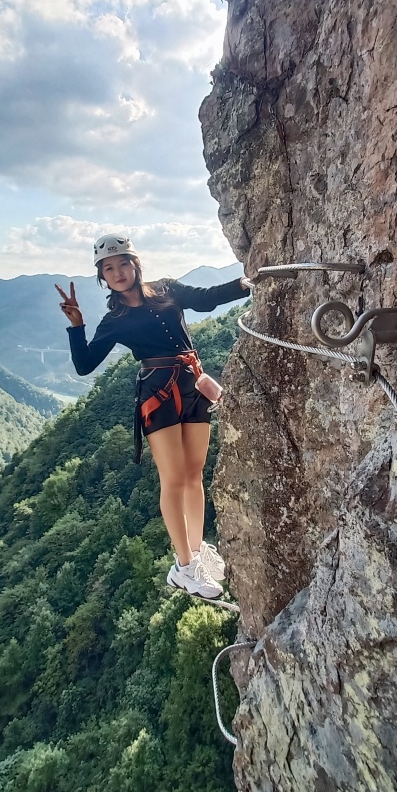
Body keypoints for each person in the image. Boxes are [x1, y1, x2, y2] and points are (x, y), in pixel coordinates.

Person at [56, 234, 251, 600]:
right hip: (158, 396)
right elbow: (84, 365)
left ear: (135, 263)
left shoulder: (167, 289)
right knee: (174, 479)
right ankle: (183, 566)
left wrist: (245, 283)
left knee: (194, 474)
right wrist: (77, 325)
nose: (118, 273)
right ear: (102, 277)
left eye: (122, 264)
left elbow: (207, 299)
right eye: (108, 269)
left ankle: (196, 549)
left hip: (194, 384)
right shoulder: (115, 319)